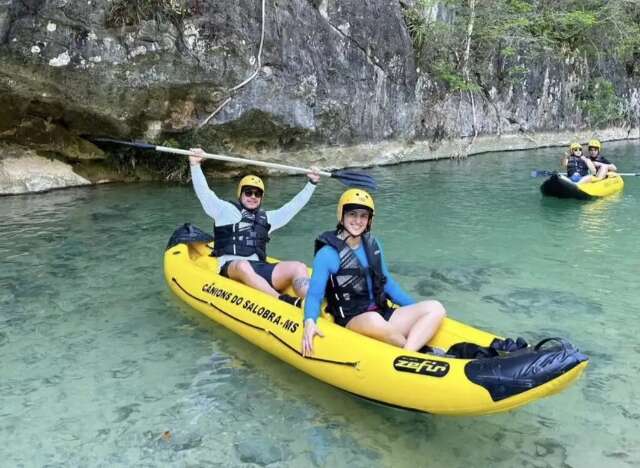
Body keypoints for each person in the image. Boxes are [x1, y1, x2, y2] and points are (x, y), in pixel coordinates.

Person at [301, 188, 446, 356]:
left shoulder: (372, 244)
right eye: (352, 214)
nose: (358, 221)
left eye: (363, 216)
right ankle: (421, 352)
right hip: (353, 319)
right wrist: (309, 321)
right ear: (342, 215)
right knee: (373, 319)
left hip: (382, 312)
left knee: (435, 308)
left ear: (370, 220)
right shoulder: (327, 254)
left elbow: (388, 284)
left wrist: (414, 310)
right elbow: (314, 295)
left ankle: (408, 352)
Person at [189, 148, 321, 307]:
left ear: (261, 197)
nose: (253, 196)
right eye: (248, 192)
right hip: (231, 268)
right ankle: (283, 301)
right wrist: (195, 165)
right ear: (240, 194)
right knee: (243, 265)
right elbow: (204, 193)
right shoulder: (224, 210)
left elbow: (293, 207)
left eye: (257, 194)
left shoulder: (267, 218)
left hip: (260, 268)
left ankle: (312, 306)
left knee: (298, 266)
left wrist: (312, 183)